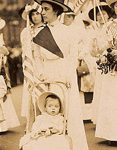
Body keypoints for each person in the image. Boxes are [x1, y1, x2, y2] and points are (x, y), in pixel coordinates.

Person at [26, 0, 89, 149]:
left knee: (67, 111)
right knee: (47, 110)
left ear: (56, 11)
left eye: (46, 9)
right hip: (46, 75)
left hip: (64, 73)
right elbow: (36, 57)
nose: (42, 12)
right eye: (42, 9)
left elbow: (73, 57)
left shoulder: (68, 31)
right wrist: (41, 73)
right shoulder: (39, 33)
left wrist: (66, 76)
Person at [94, 0, 117, 145]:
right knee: (112, 99)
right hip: (113, 67)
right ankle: (113, 133)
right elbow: (99, 48)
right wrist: (106, 46)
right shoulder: (109, 25)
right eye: (116, 5)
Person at [88, 1, 113, 124]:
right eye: (98, 15)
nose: (100, 16)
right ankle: (100, 119)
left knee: (109, 91)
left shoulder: (111, 27)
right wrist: (94, 44)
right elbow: (93, 52)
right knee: (99, 89)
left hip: (112, 60)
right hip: (101, 61)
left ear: (108, 15)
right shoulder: (93, 30)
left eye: (103, 13)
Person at [20, 3, 45, 118]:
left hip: (43, 62)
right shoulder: (26, 32)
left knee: (43, 86)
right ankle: (33, 117)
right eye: (33, 15)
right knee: (31, 88)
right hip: (31, 62)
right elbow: (24, 49)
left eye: (37, 14)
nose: (35, 17)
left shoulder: (46, 29)